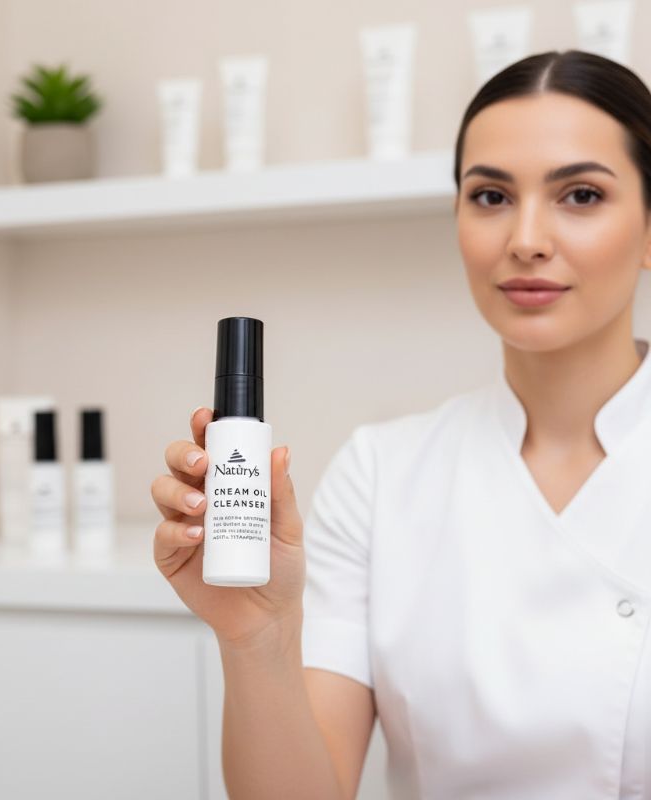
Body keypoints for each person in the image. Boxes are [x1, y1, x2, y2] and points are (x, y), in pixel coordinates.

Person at [150, 49, 651, 799]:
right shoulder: (382, 472)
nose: (525, 239)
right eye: (490, 197)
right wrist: (256, 635)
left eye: (580, 194)